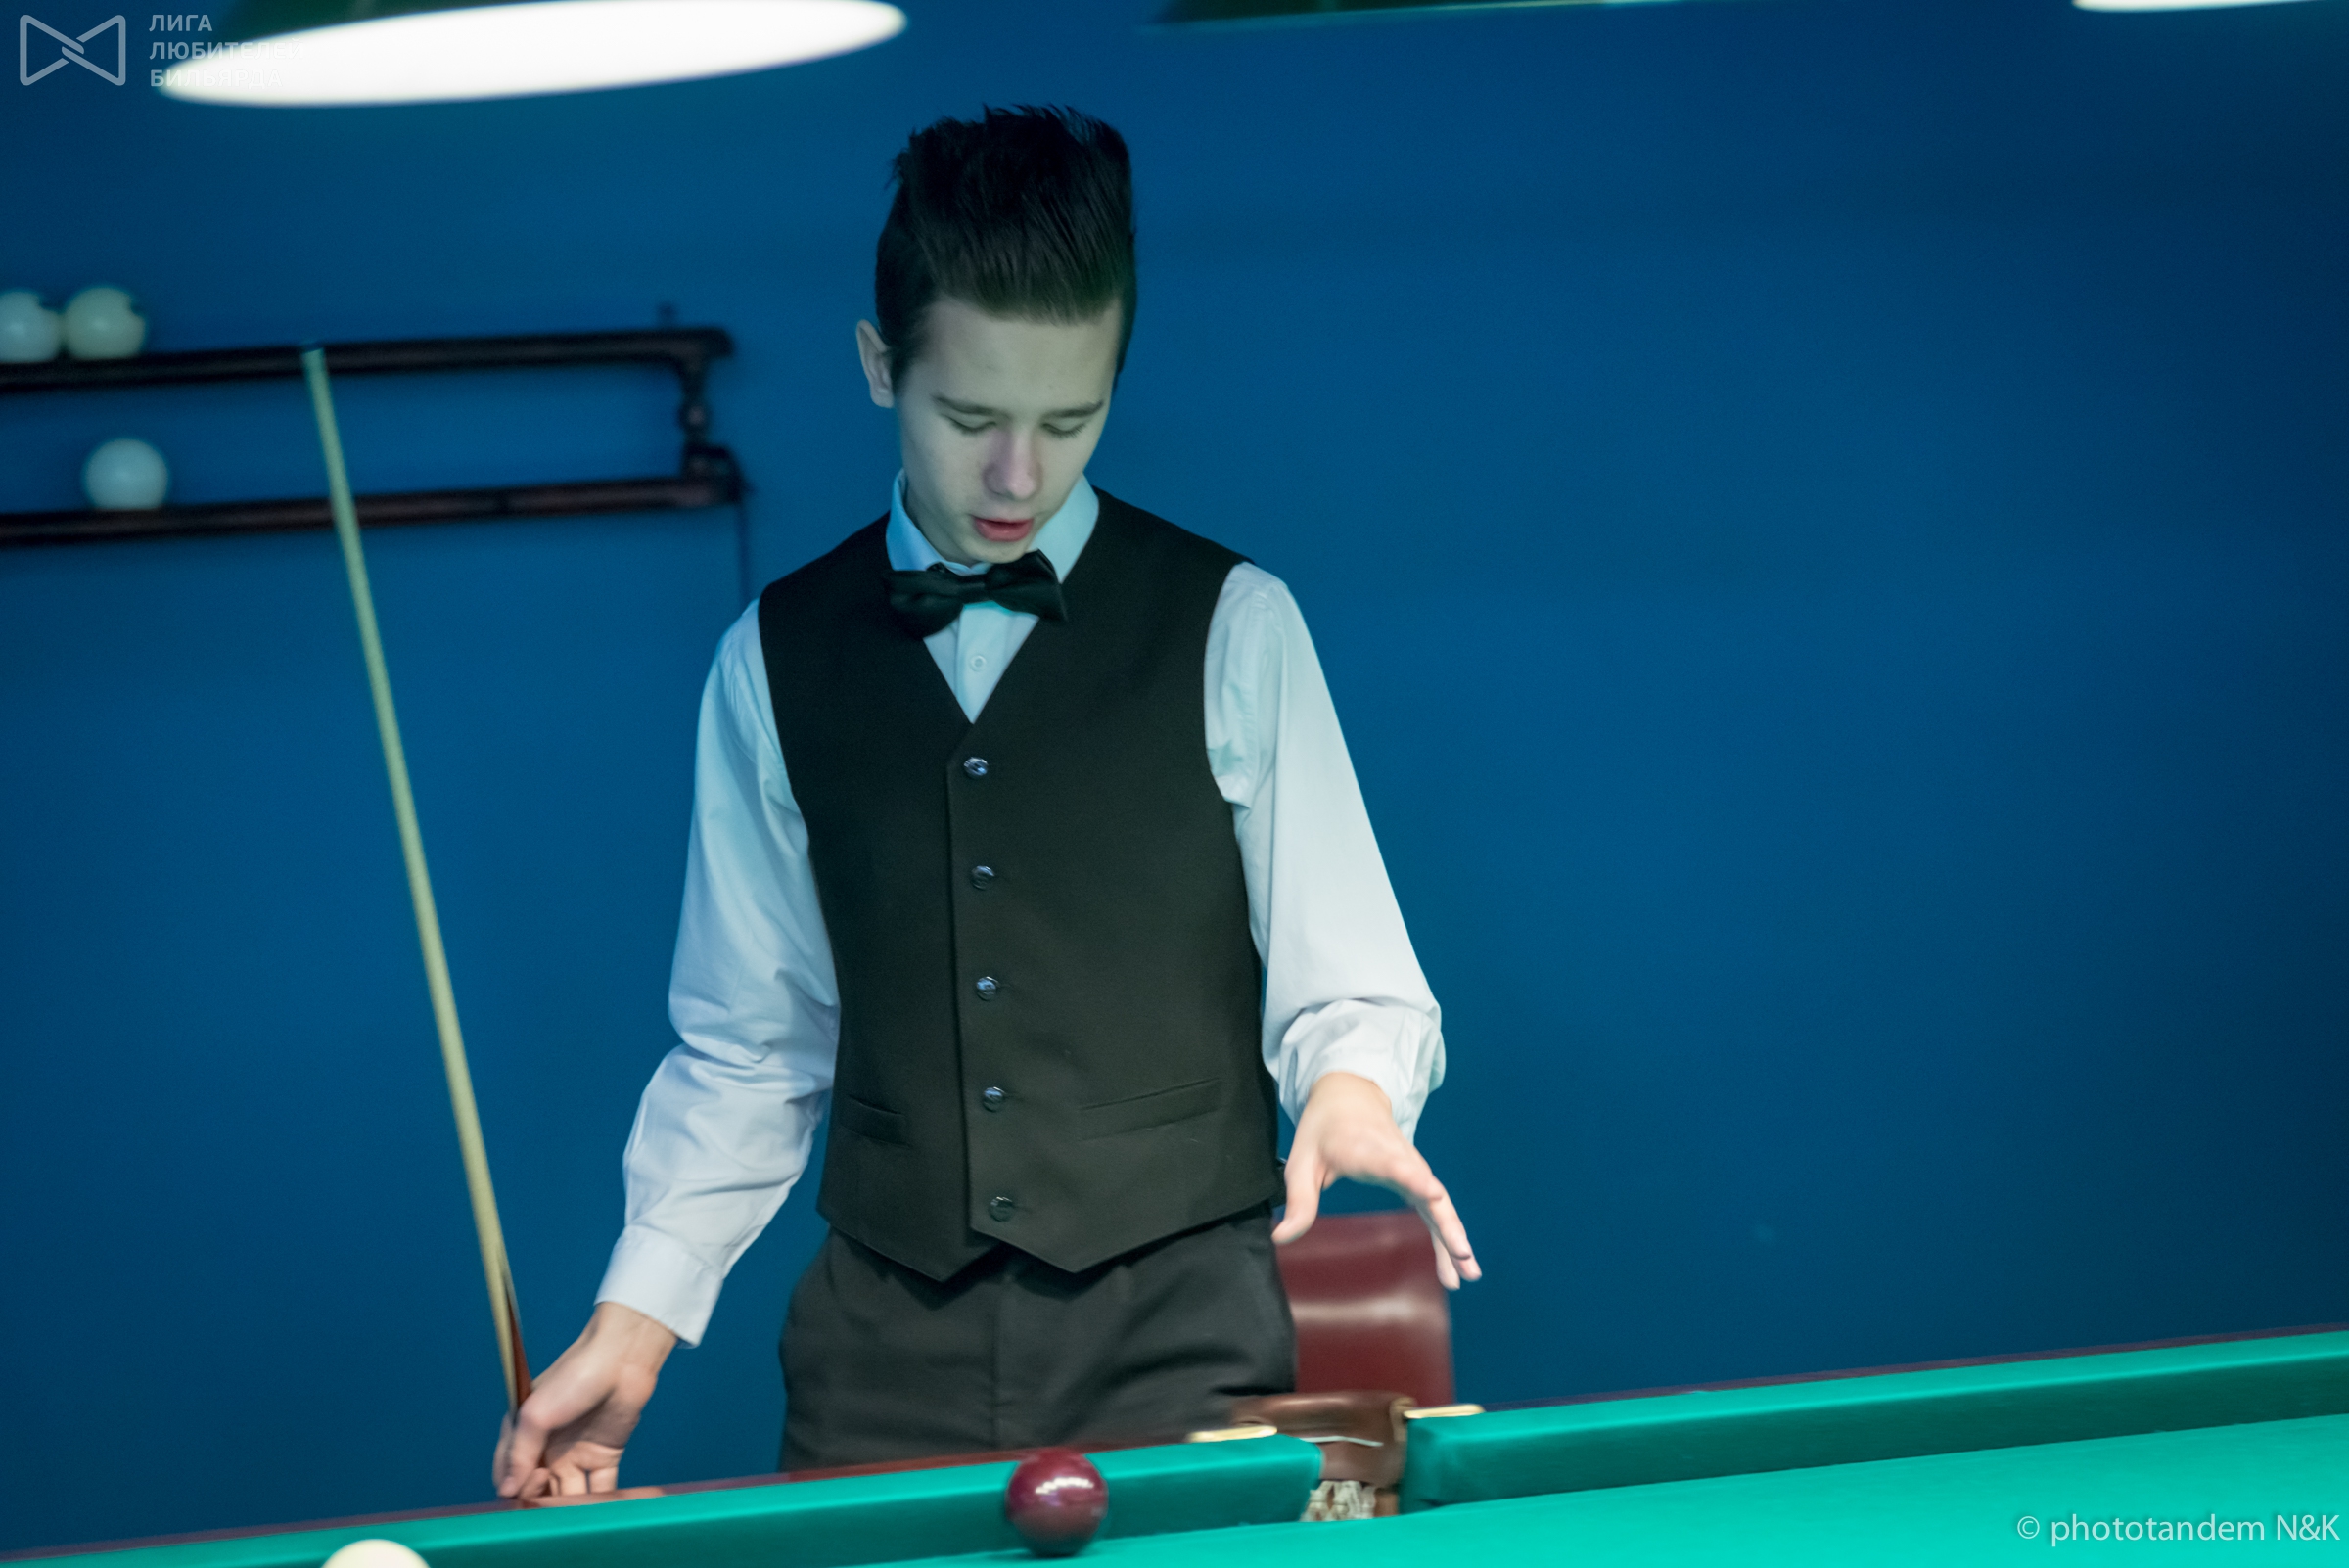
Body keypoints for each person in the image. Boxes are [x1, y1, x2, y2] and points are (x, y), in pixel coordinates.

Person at [492, 105, 1479, 1499]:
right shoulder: (771, 658)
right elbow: (752, 1051)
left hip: (1181, 1340)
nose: (1020, 474)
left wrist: (1356, 1090)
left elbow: (1352, 983)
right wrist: (634, 1325)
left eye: (1069, 420)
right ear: (878, 366)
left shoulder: (1235, 623)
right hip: (880, 1355)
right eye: (970, 418)